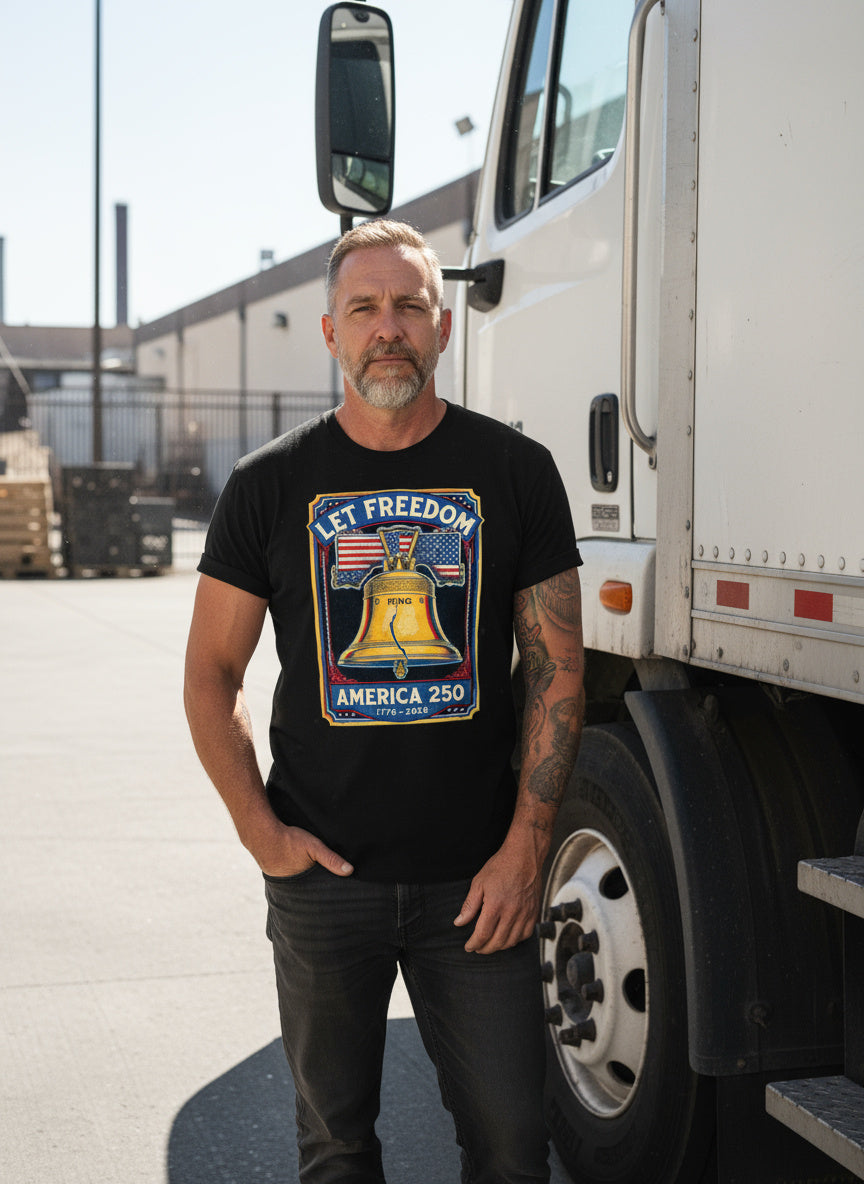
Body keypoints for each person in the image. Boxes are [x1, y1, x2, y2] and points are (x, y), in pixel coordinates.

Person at [184, 219, 585, 1184]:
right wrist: (261, 833)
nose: (387, 327)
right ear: (331, 334)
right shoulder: (268, 485)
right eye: (363, 308)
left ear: (443, 327)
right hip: (324, 885)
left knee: (510, 1146)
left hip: (477, 887)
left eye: (409, 305)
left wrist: (527, 850)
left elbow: (559, 671)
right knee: (335, 1149)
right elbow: (210, 676)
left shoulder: (516, 473)